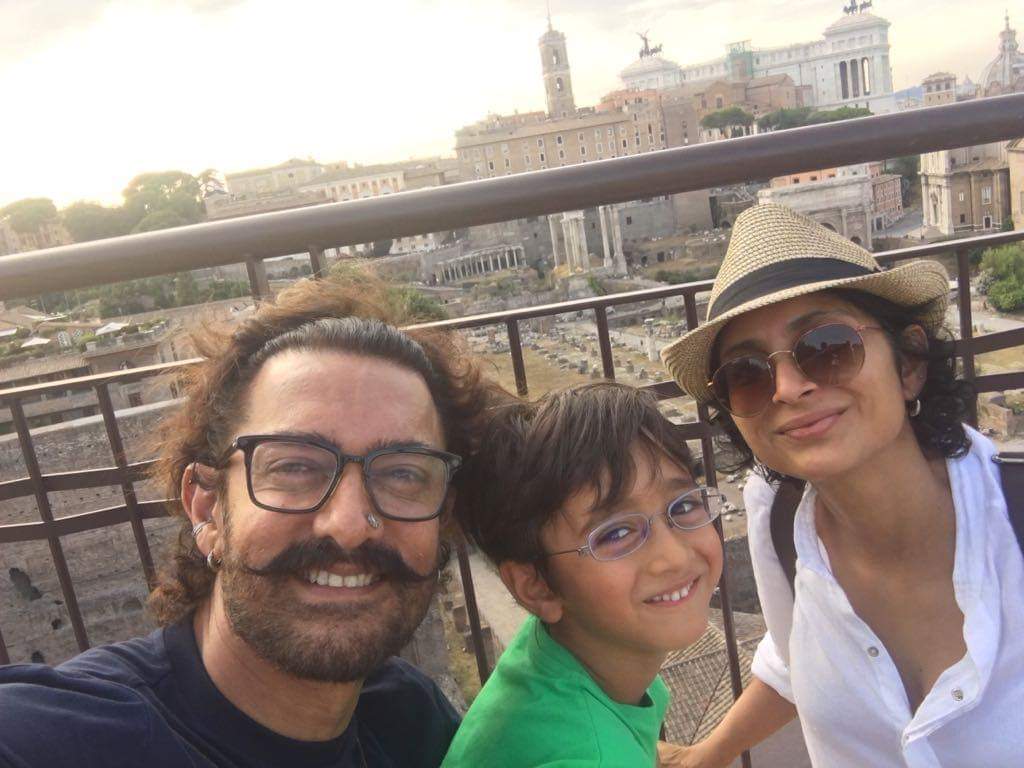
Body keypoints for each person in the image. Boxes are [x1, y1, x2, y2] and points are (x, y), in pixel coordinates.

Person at [0, 277, 499, 768]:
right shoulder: (56, 739)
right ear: (207, 509)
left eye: (403, 473)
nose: (349, 524)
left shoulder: (409, 719)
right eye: (295, 466)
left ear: (443, 517)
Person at [657, 203, 1024, 767]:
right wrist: (707, 755)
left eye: (827, 348)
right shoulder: (776, 516)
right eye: (747, 374)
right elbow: (795, 655)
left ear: (909, 363)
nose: (787, 387)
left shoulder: (1012, 524)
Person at [442, 383, 725, 768]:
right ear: (537, 587)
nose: (674, 557)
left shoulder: (553, 658)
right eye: (616, 533)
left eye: (685, 504)